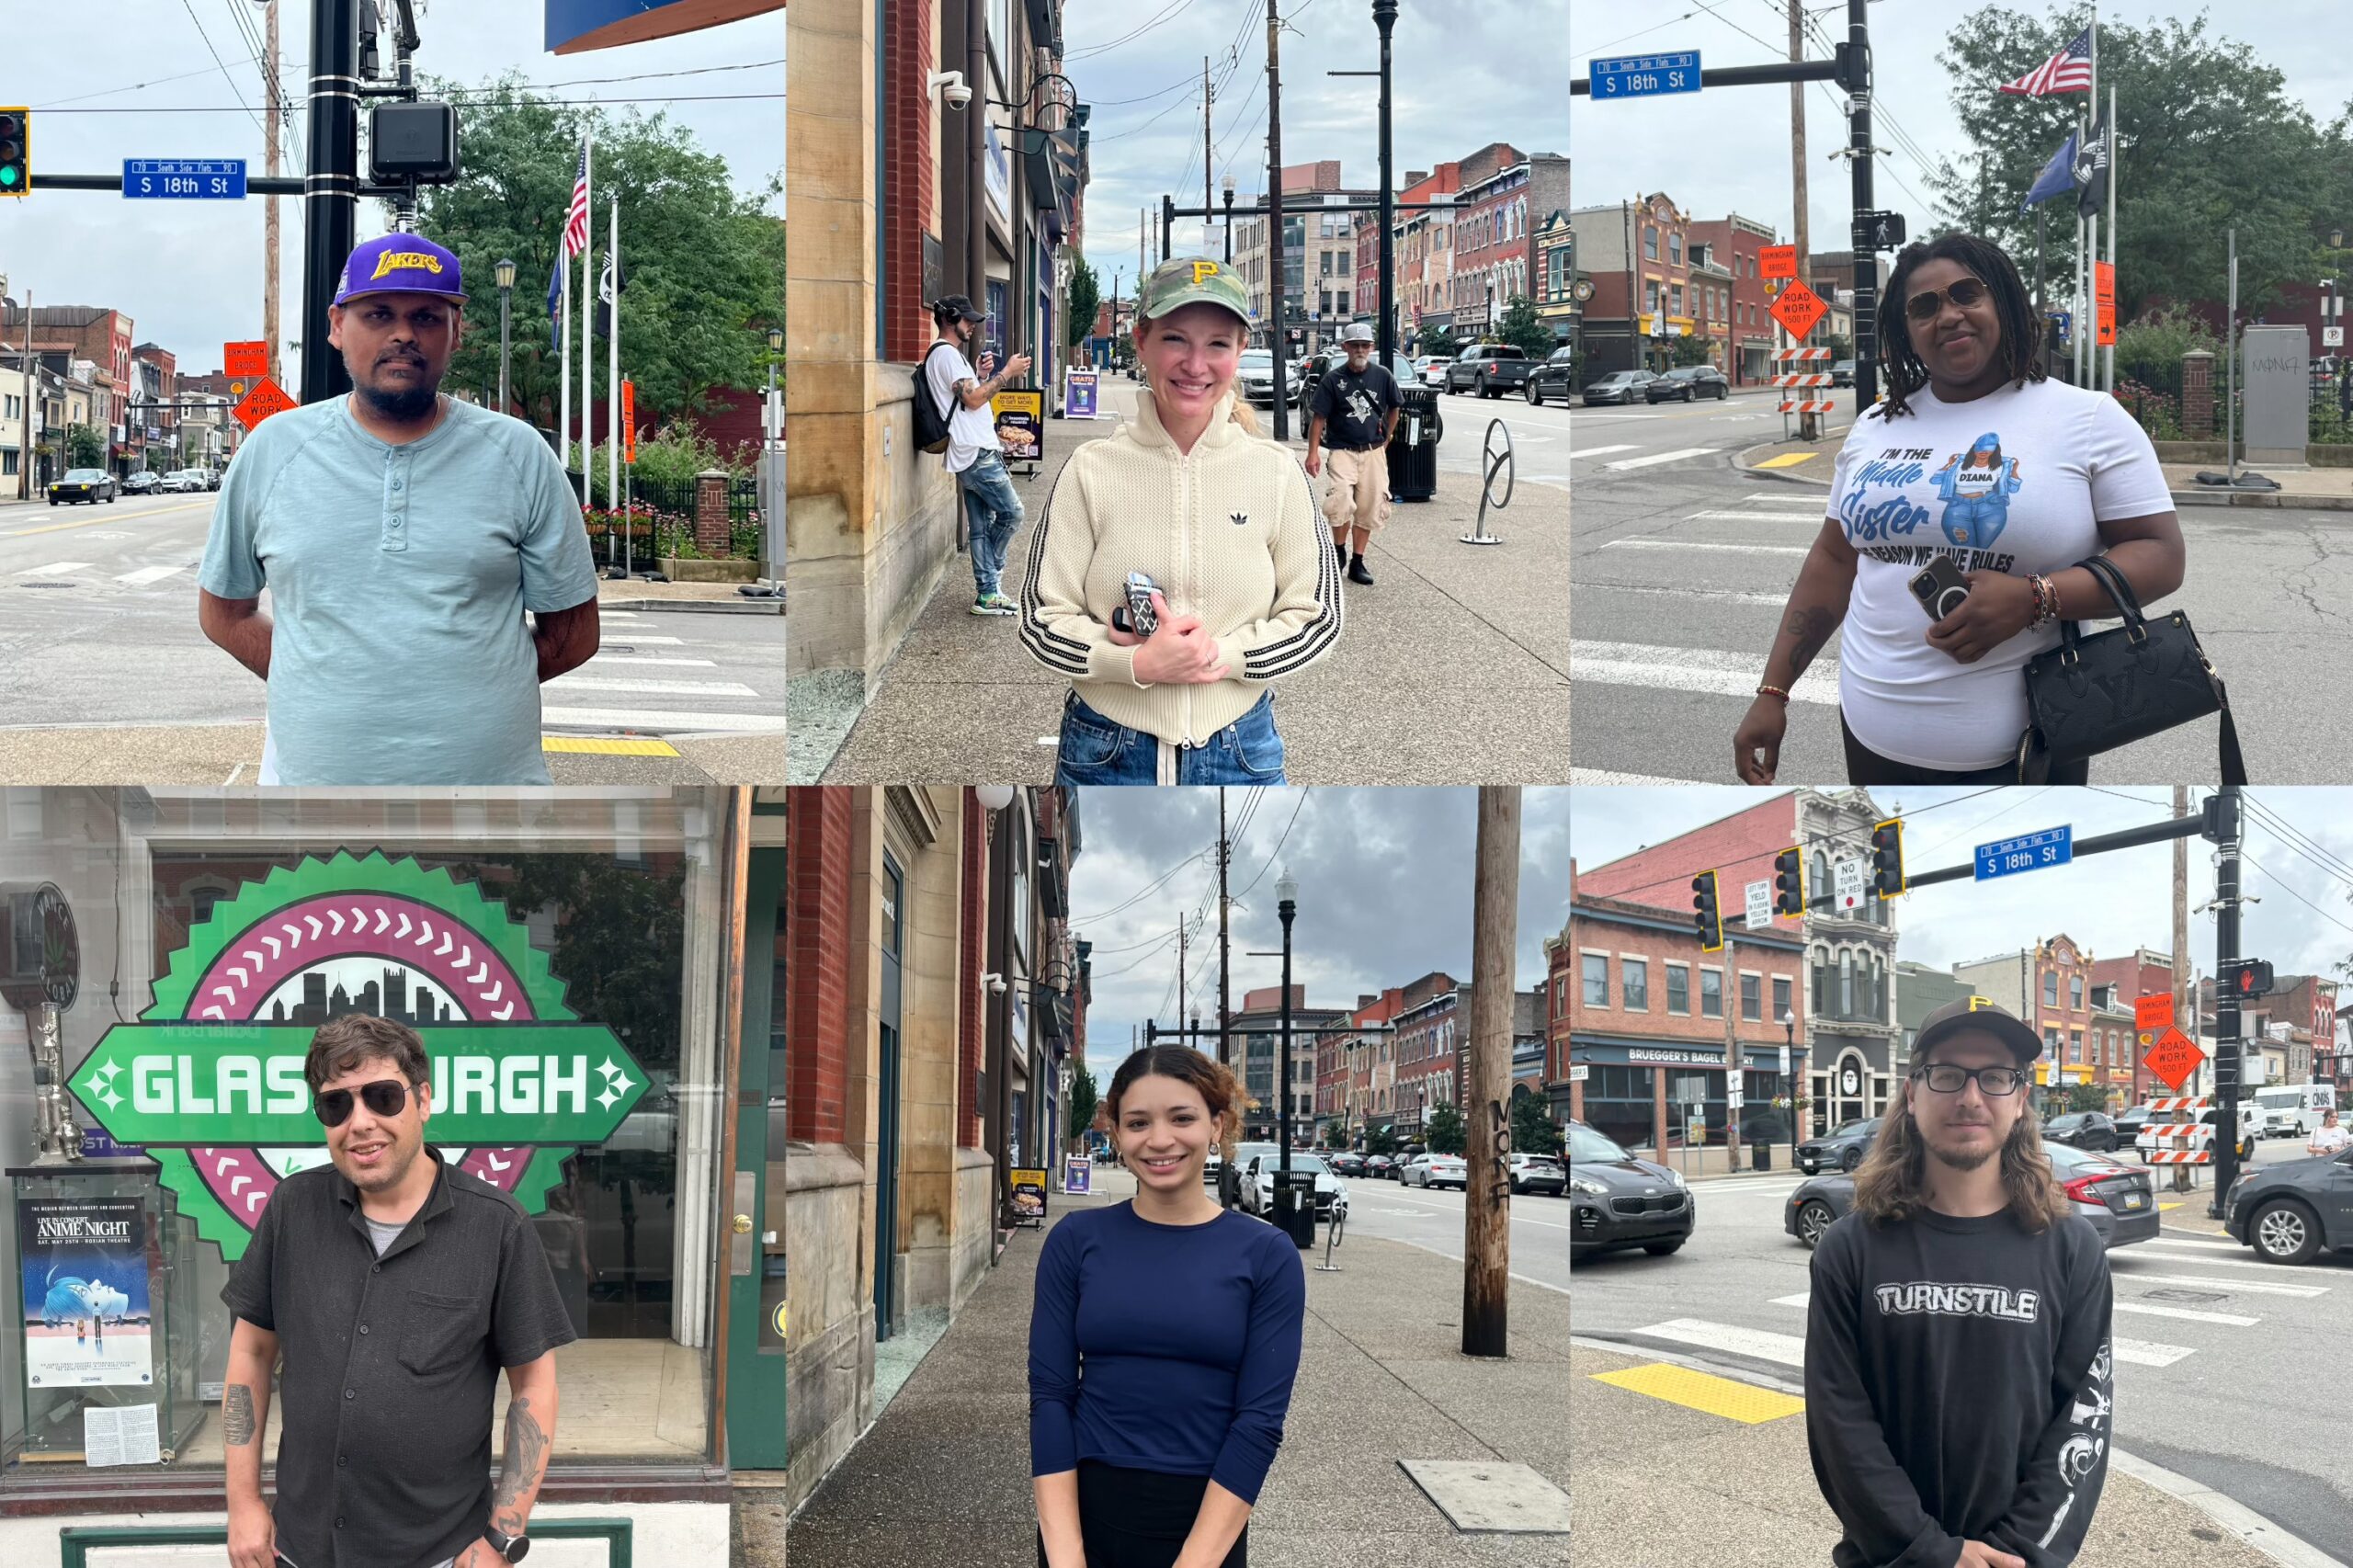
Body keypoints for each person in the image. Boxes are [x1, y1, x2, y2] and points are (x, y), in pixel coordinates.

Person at [1734, 233, 2187, 786]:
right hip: (1871, 737)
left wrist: (2035, 599)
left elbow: (2161, 556)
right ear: (1906, 332)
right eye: (1924, 307)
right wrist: (1773, 691)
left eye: (1966, 294)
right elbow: (1833, 558)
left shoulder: (2087, 419)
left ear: (2003, 302)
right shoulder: (1875, 428)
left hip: (2030, 750)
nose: (1948, 315)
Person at [198, 235, 600, 786]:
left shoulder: (520, 453)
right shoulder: (273, 450)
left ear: (456, 333)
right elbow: (223, 612)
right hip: (311, 799)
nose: (404, 334)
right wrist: (314, 678)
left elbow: (574, 631)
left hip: (492, 801)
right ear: (338, 326)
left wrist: (477, 684)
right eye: (379, 313)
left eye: (428, 317)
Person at [221, 1015, 578, 1568]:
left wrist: (503, 1537)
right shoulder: (292, 1210)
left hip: (439, 1553)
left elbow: (535, 1381)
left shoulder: (496, 1227)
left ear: (424, 1100)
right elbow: (251, 1353)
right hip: (300, 1548)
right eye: (336, 1105)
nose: (359, 1123)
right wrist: (243, 1502)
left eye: (382, 1097)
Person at [1806, 997, 2114, 1568]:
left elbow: (2083, 1417)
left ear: (2021, 1099)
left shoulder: (2073, 1251)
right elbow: (1838, 1423)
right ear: (1912, 1092)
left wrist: (2019, 1552)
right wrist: (1929, 1551)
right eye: (1948, 1074)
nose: (1971, 1098)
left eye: (1996, 1077)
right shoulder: (1849, 1250)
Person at [1019, 256, 1343, 785]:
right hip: (1105, 747)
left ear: (1240, 351)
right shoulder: (1090, 470)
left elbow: (1316, 616)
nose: (1196, 364)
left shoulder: (1277, 472)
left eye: (1217, 343)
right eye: (1175, 338)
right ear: (1141, 341)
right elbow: (1040, 617)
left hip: (1241, 748)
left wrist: (1220, 655)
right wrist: (1135, 664)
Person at [1031, 1046, 1306, 1568]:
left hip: (1207, 1527)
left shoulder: (1267, 1256)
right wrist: (1065, 1556)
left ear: (1217, 1125)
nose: (1159, 1140)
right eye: (1138, 1122)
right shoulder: (1076, 1241)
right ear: (1116, 1133)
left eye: (1182, 1118)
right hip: (1082, 1518)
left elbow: (1258, 1423)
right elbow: (1050, 1398)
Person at [925, 294, 1035, 616]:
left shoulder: (951, 357)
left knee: (982, 525)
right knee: (1012, 513)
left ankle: (988, 593)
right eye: (967, 320)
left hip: (972, 450)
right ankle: (993, 574)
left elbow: (966, 397)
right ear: (950, 318)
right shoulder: (944, 355)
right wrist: (1006, 373)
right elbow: (972, 400)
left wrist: (981, 375)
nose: (972, 325)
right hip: (976, 454)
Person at [1302, 322, 1402, 587]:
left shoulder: (1382, 376)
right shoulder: (1333, 380)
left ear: (1371, 348)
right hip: (1342, 450)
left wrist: (1387, 438)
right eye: (1355, 345)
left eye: (1365, 345)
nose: (1360, 350)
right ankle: (1338, 549)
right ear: (1345, 347)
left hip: (1372, 450)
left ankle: (1358, 561)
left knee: (1370, 506)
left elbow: (1395, 408)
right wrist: (1313, 453)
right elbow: (1318, 418)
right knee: (1341, 500)